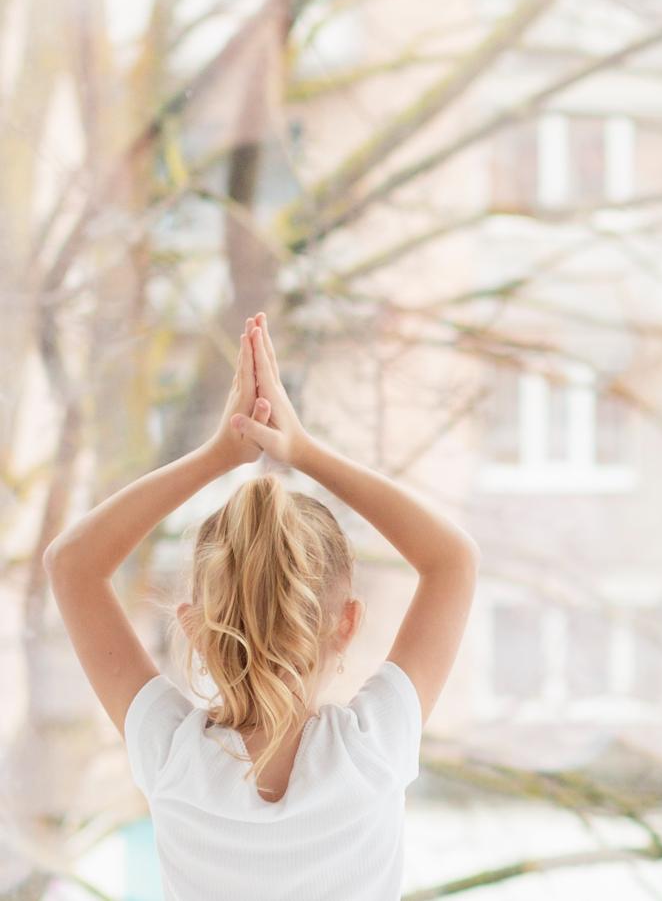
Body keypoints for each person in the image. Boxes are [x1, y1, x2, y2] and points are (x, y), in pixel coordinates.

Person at [43, 313, 478, 901]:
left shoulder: (173, 756)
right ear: (345, 624)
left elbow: (72, 564)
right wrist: (303, 450)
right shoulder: (372, 750)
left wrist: (218, 455)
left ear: (194, 628)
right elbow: (452, 560)